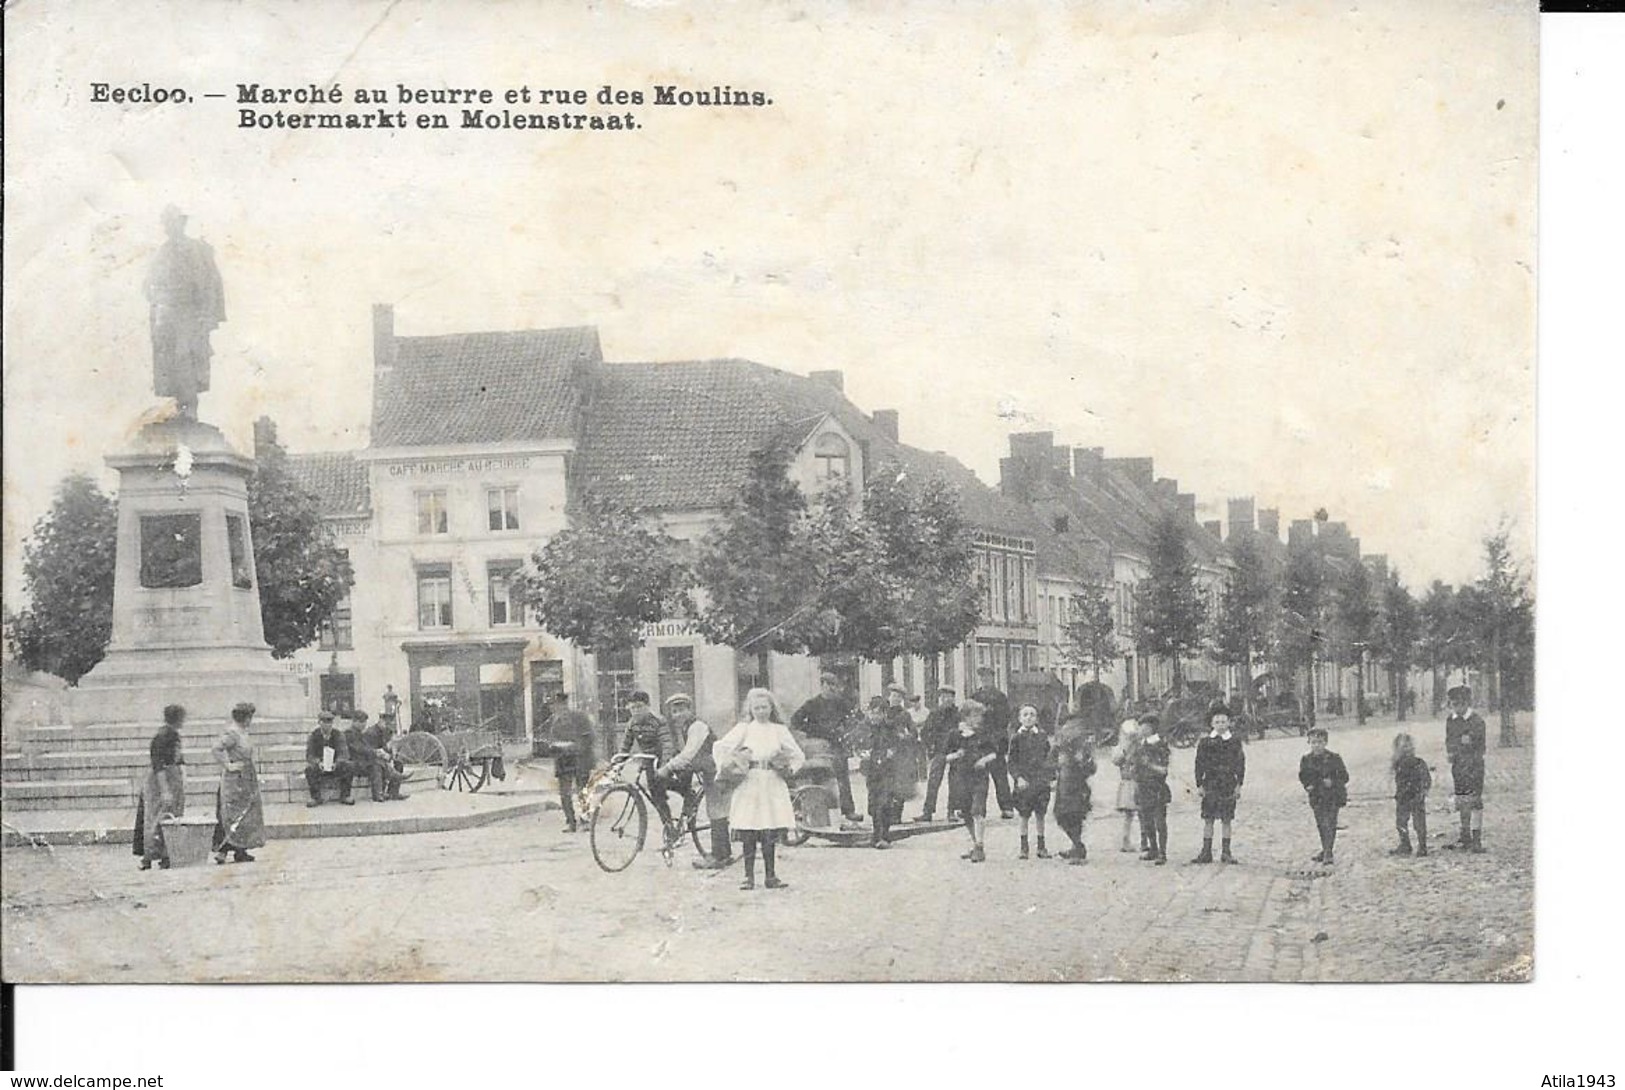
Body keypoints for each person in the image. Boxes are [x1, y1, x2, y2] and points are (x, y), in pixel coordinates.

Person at [712, 688, 805, 891]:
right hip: (750, 783)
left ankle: (771, 876)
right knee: (749, 829)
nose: (761, 711)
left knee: (769, 830)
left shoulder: (779, 731)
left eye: (765, 707)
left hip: (771, 782)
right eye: (756, 708)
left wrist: (789, 769)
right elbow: (720, 747)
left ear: (772, 708)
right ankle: (748, 877)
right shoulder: (744, 729)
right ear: (750, 709)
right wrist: (729, 767)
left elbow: (798, 754)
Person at [143, 206, 225, 420]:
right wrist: (157, 300)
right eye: (166, 223)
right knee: (171, 362)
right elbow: (148, 284)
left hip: (191, 314)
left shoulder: (197, 249)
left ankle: (191, 408)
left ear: (181, 223)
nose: (169, 227)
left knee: (185, 358)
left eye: (173, 222)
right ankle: (182, 407)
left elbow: (210, 283)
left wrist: (206, 315)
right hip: (168, 315)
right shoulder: (162, 253)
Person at [791, 672, 863, 826]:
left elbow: (855, 719)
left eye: (834, 686)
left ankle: (848, 810)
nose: (831, 689)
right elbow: (796, 721)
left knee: (842, 777)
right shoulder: (812, 704)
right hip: (819, 747)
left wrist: (845, 732)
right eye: (828, 685)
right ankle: (818, 812)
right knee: (820, 778)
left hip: (837, 745)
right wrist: (815, 730)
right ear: (822, 685)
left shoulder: (841, 703)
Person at [619, 691, 685, 837]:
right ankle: (669, 826)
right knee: (656, 795)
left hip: (664, 758)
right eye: (632, 708)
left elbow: (667, 744)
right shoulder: (632, 723)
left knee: (663, 786)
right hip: (649, 759)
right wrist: (619, 763)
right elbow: (625, 746)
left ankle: (687, 793)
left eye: (639, 707)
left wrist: (664, 766)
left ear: (648, 706)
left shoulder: (658, 720)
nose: (636, 711)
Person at [133, 704, 187, 870]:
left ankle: (166, 853)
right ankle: (150, 854)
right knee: (156, 817)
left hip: (172, 777)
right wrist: (164, 789)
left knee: (170, 815)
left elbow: (178, 758)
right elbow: (158, 764)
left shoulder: (172, 735)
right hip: (161, 780)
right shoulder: (163, 737)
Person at [945, 698, 998, 863]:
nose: (979, 719)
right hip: (961, 777)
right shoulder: (955, 735)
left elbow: (995, 753)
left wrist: (984, 760)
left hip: (979, 777)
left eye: (980, 716)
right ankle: (975, 844)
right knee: (966, 812)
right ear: (966, 717)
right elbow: (944, 756)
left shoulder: (984, 734)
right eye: (975, 716)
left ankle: (980, 846)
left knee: (977, 810)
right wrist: (955, 755)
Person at [212, 702, 266, 864]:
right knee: (233, 813)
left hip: (246, 777)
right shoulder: (233, 732)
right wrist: (228, 765)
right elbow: (216, 749)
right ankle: (223, 850)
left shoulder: (242, 732)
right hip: (235, 779)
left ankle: (240, 850)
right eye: (250, 717)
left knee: (245, 813)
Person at [1191, 705, 1245, 864]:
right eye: (1217, 721)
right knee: (1208, 818)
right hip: (1211, 783)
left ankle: (1226, 852)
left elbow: (1240, 764)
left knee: (1226, 818)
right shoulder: (1205, 742)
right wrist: (1199, 784)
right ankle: (1206, 851)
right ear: (1212, 724)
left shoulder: (1234, 741)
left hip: (1228, 782)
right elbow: (1198, 763)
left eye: (1223, 721)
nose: (1220, 724)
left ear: (1229, 723)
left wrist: (1239, 784)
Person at [1443, 685, 1488, 853]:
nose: (1457, 708)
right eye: (1454, 704)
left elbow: (1481, 747)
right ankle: (1465, 833)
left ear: (1467, 703)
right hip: (1458, 766)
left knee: (1475, 800)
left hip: (1474, 766)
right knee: (1461, 800)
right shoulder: (1451, 720)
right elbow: (1449, 739)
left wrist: (1468, 745)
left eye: (1460, 704)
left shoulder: (1477, 721)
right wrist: (1451, 751)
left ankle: (1476, 838)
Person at [1007, 704, 1054, 859]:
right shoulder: (1016, 738)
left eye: (1032, 714)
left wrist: (1050, 777)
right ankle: (1024, 847)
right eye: (1025, 714)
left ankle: (1041, 846)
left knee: (1040, 813)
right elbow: (1011, 762)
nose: (1029, 717)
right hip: (1024, 782)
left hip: (1040, 781)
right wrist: (1018, 778)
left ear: (1036, 718)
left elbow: (1049, 758)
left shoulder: (1042, 736)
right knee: (1024, 814)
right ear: (1020, 718)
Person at [1298, 727, 1350, 865]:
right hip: (1317, 796)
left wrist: (1333, 781)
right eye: (1313, 742)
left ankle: (1328, 852)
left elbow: (1345, 776)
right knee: (1321, 823)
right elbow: (1303, 776)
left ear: (1325, 742)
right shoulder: (1306, 760)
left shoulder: (1334, 758)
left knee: (1330, 823)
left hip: (1333, 795)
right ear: (1309, 742)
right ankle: (1325, 848)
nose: (1317, 745)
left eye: (1320, 742)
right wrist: (1307, 785)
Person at [547, 691, 597, 832]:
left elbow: (590, 737)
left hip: (580, 760)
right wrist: (553, 747)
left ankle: (585, 820)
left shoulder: (580, 717)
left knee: (583, 791)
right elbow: (551, 741)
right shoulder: (555, 723)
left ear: (565, 705)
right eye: (554, 707)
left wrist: (574, 747)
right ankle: (570, 822)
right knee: (564, 793)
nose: (557, 710)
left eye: (559, 706)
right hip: (563, 761)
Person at [1051, 710, 1096, 864]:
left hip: (1077, 785)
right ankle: (1076, 845)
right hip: (1063, 785)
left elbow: (1091, 768)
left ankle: (1077, 848)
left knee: (1074, 815)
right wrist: (1056, 764)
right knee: (1061, 815)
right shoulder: (1060, 744)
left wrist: (1082, 761)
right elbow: (1049, 761)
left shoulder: (1083, 745)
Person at [969, 668, 1015, 818]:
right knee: (979, 777)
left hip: (996, 741)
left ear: (993, 679)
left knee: (1000, 776)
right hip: (980, 741)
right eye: (982, 678)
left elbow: (1005, 719)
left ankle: (1007, 807)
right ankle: (979, 809)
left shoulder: (1000, 697)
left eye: (987, 678)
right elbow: (969, 717)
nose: (985, 681)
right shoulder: (975, 697)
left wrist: (998, 737)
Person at [863, 696, 907, 849]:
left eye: (878, 713)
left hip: (888, 770)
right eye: (872, 713)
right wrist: (862, 753)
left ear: (883, 714)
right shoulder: (865, 727)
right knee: (873, 803)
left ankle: (883, 836)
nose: (875, 716)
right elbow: (856, 743)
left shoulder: (890, 728)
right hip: (872, 770)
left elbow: (899, 744)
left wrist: (892, 752)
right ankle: (877, 835)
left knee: (885, 802)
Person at [916, 686, 959, 822]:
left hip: (955, 752)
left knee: (955, 782)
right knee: (933, 782)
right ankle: (927, 812)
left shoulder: (958, 715)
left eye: (949, 697)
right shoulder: (934, 714)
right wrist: (931, 748)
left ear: (953, 698)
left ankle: (951, 811)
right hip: (939, 752)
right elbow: (925, 733)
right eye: (943, 697)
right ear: (940, 698)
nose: (946, 699)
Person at [1134, 712, 1172, 865]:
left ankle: (1162, 852)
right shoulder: (1140, 745)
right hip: (1142, 787)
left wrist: (1148, 764)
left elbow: (1164, 769)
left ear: (1151, 728)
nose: (1141, 730)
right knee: (1146, 821)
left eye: (1144, 727)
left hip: (1156, 788)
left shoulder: (1160, 745)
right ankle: (1153, 848)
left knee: (1159, 821)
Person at [1391, 732, 1432, 857]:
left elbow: (1426, 779)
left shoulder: (1419, 763)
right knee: (1400, 822)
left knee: (1419, 823)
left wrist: (1423, 791)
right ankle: (1405, 844)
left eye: (1409, 747)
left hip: (1416, 796)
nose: (1407, 750)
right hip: (1403, 796)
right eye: (1403, 747)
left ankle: (1422, 846)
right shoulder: (1398, 764)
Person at [353, 711, 408, 802]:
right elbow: (370, 750)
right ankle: (379, 793)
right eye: (386, 722)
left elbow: (387, 749)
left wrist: (391, 753)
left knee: (398, 763)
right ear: (380, 721)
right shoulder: (371, 732)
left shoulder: (387, 732)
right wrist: (384, 753)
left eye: (390, 723)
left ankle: (393, 792)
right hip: (370, 759)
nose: (387, 725)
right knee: (378, 764)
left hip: (380, 757)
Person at [305, 709, 354, 806]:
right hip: (321, 766)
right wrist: (318, 763)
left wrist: (337, 763)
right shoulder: (314, 736)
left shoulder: (338, 735)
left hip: (335, 766)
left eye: (330, 722)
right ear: (320, 723)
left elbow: (344, 753)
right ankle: (316, 797)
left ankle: (345, 795)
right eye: (324, 722)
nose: (327, 725)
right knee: (309, 769)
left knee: (349, 766)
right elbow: (310, 755)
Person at [1111, 716, 1144, 853]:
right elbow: (1116, 760)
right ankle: (1126, 840)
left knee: (1142, 812)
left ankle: (1144, 840)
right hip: (1129, 781)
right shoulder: (1121, 749)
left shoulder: (1141, 746)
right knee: (1130, 813)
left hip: (1138, 780)